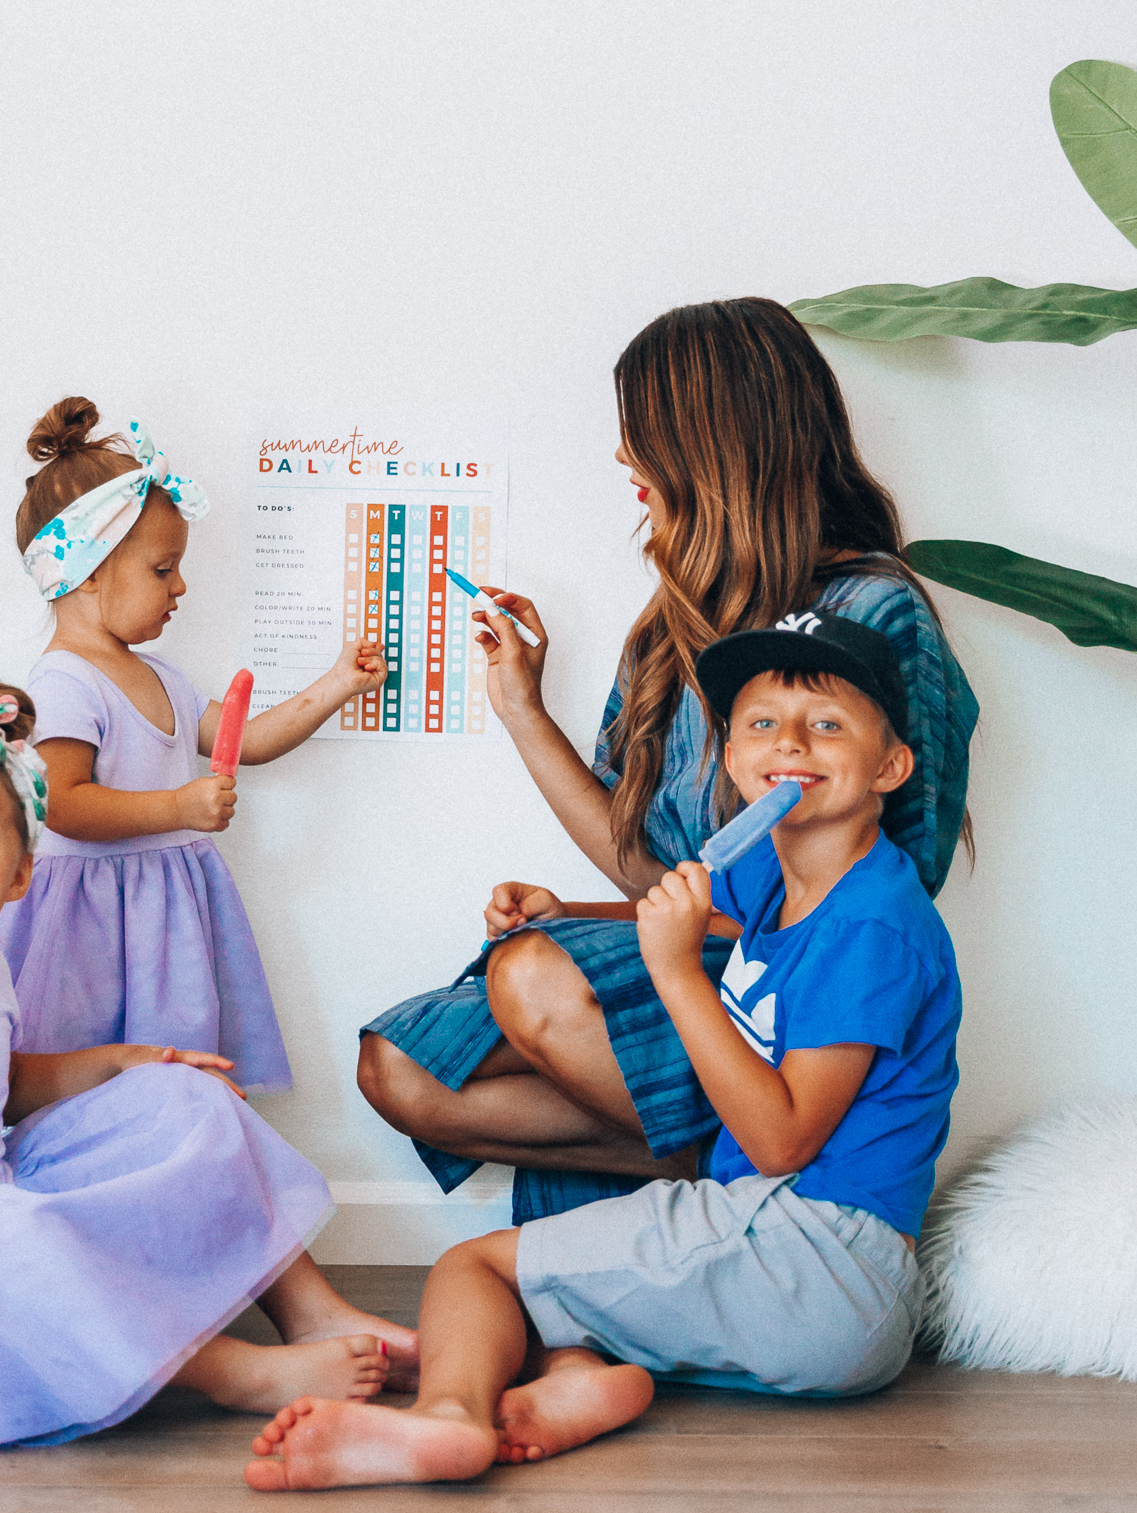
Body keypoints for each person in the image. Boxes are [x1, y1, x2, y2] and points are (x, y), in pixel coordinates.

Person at [246, 613, 958, 1488]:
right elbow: (707, 915)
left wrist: (676, 975)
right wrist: (570, 916)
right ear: (733, 759)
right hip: (815, 1277)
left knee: (478, 1271)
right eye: (763, 724)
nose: (791, 744)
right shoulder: (779, 867)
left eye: (828, 725)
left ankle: (448, 1419)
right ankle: (575, 1386)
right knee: (567, 1264)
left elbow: (781, 1143)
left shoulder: (874, 924)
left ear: (890, 766)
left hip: (814, 1256)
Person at [357, 297, 977, 1225]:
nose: (622, 458)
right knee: (399, 1070)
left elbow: (880, 884)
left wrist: (686, 943)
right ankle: (700, 1167)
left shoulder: (876, 614)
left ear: (712, 443)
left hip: (782, 988)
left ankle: (750, 1162)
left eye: (639, 434)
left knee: (533, 976)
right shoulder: (671, 624)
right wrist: (521, 707)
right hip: (687, 949)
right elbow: (647, 864)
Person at [0, 686, 416, 1449]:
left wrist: (127, 1062)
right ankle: (233, 1373)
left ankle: (309, 1310)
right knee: (13, 1244)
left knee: (187, 1098)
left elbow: (3, 1082)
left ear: (21, 875)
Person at [0, 399, 386, 1087]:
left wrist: (337, 684)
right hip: (89, 922)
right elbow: (61, 804)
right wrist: (178, 808)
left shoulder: (162, 678)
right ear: (87, 574)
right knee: (85, 1077)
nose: (181, 586)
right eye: (160, 570)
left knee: (173, 1075)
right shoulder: (62, 681)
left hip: (163, 917)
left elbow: (250, 740)